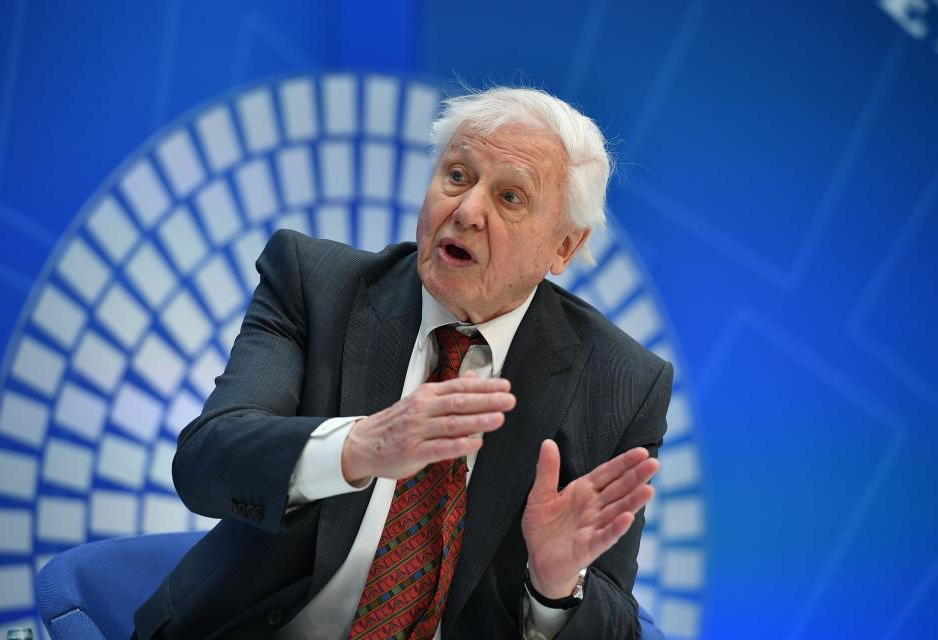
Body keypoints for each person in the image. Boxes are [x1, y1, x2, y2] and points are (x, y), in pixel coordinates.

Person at [133, 86, 672, 640]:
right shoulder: (314, 286)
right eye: (458, 175)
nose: (466, 212)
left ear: (564, 246)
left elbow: (615, 621)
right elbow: (206, 462)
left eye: (510, 198)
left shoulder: (622, 382)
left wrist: (556, 588)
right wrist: (357, 447)